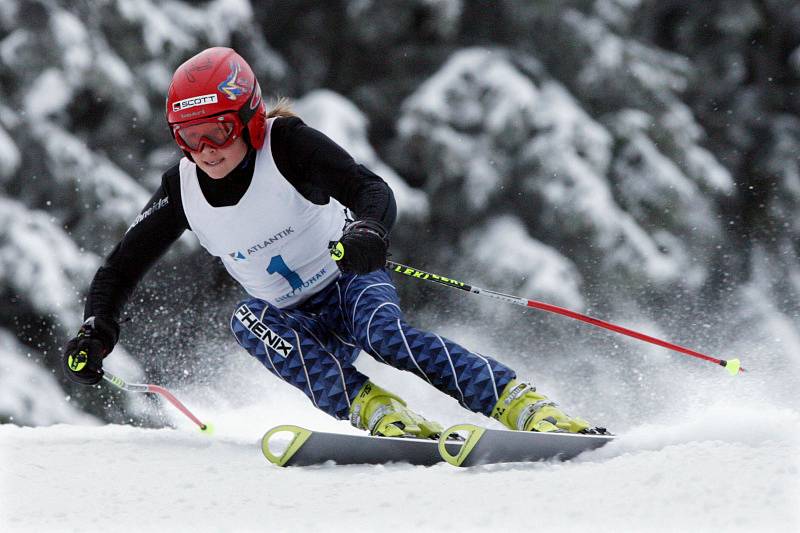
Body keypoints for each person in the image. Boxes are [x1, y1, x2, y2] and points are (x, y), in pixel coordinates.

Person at [62, 47, 592, 437]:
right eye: (188, 136)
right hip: (294, 318)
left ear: (248, 119)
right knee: (245, 319)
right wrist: (98, 327)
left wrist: (367, 230)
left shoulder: (287, 146)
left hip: (349, 279)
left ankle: (518, 404)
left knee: (386, 336)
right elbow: (121, 267)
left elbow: (370, 189)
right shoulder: (181, 188)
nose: (205, 150)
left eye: (218, 131)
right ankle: (379, 413)